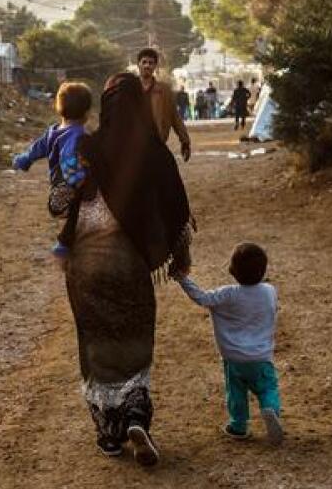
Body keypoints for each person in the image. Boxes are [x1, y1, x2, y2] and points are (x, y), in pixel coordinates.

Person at [63, 72, 193, 465]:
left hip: (84, 263)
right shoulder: (155, 152)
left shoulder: (87, 145)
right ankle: (136, 413)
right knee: (134, 337)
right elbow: (176, 209)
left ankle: (109, 434)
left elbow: (64, 199)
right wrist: (179, 256)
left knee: (96, 341)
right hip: (128, 261)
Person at [173, 243, 284, 445]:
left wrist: (182, 278)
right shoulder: (269, 291)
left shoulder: (228, 294)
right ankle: (270, 409)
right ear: (264, 269)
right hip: (261, 358)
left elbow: (202, 297)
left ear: (233, 270)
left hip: (234, 359)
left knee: (236, 393)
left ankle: (238, 426)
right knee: (268, 388)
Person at [12, 81, 92, 259]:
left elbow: (34, 150)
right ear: (87, 113)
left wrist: (22, 161)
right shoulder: (79, 135)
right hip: (67, 196)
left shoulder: (52, 132)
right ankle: (64, 242)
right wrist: (79, 179)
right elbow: (69, 160)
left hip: (56, 193)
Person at [136, 48, 192, 161]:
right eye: (144, 62)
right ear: (139, 64)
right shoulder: (129, 89)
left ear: (155, 66)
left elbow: (175, 117)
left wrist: (185, 141)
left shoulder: (164, 91)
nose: (147, 66)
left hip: (157, 144)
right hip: (134, 146)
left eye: (150, 63)